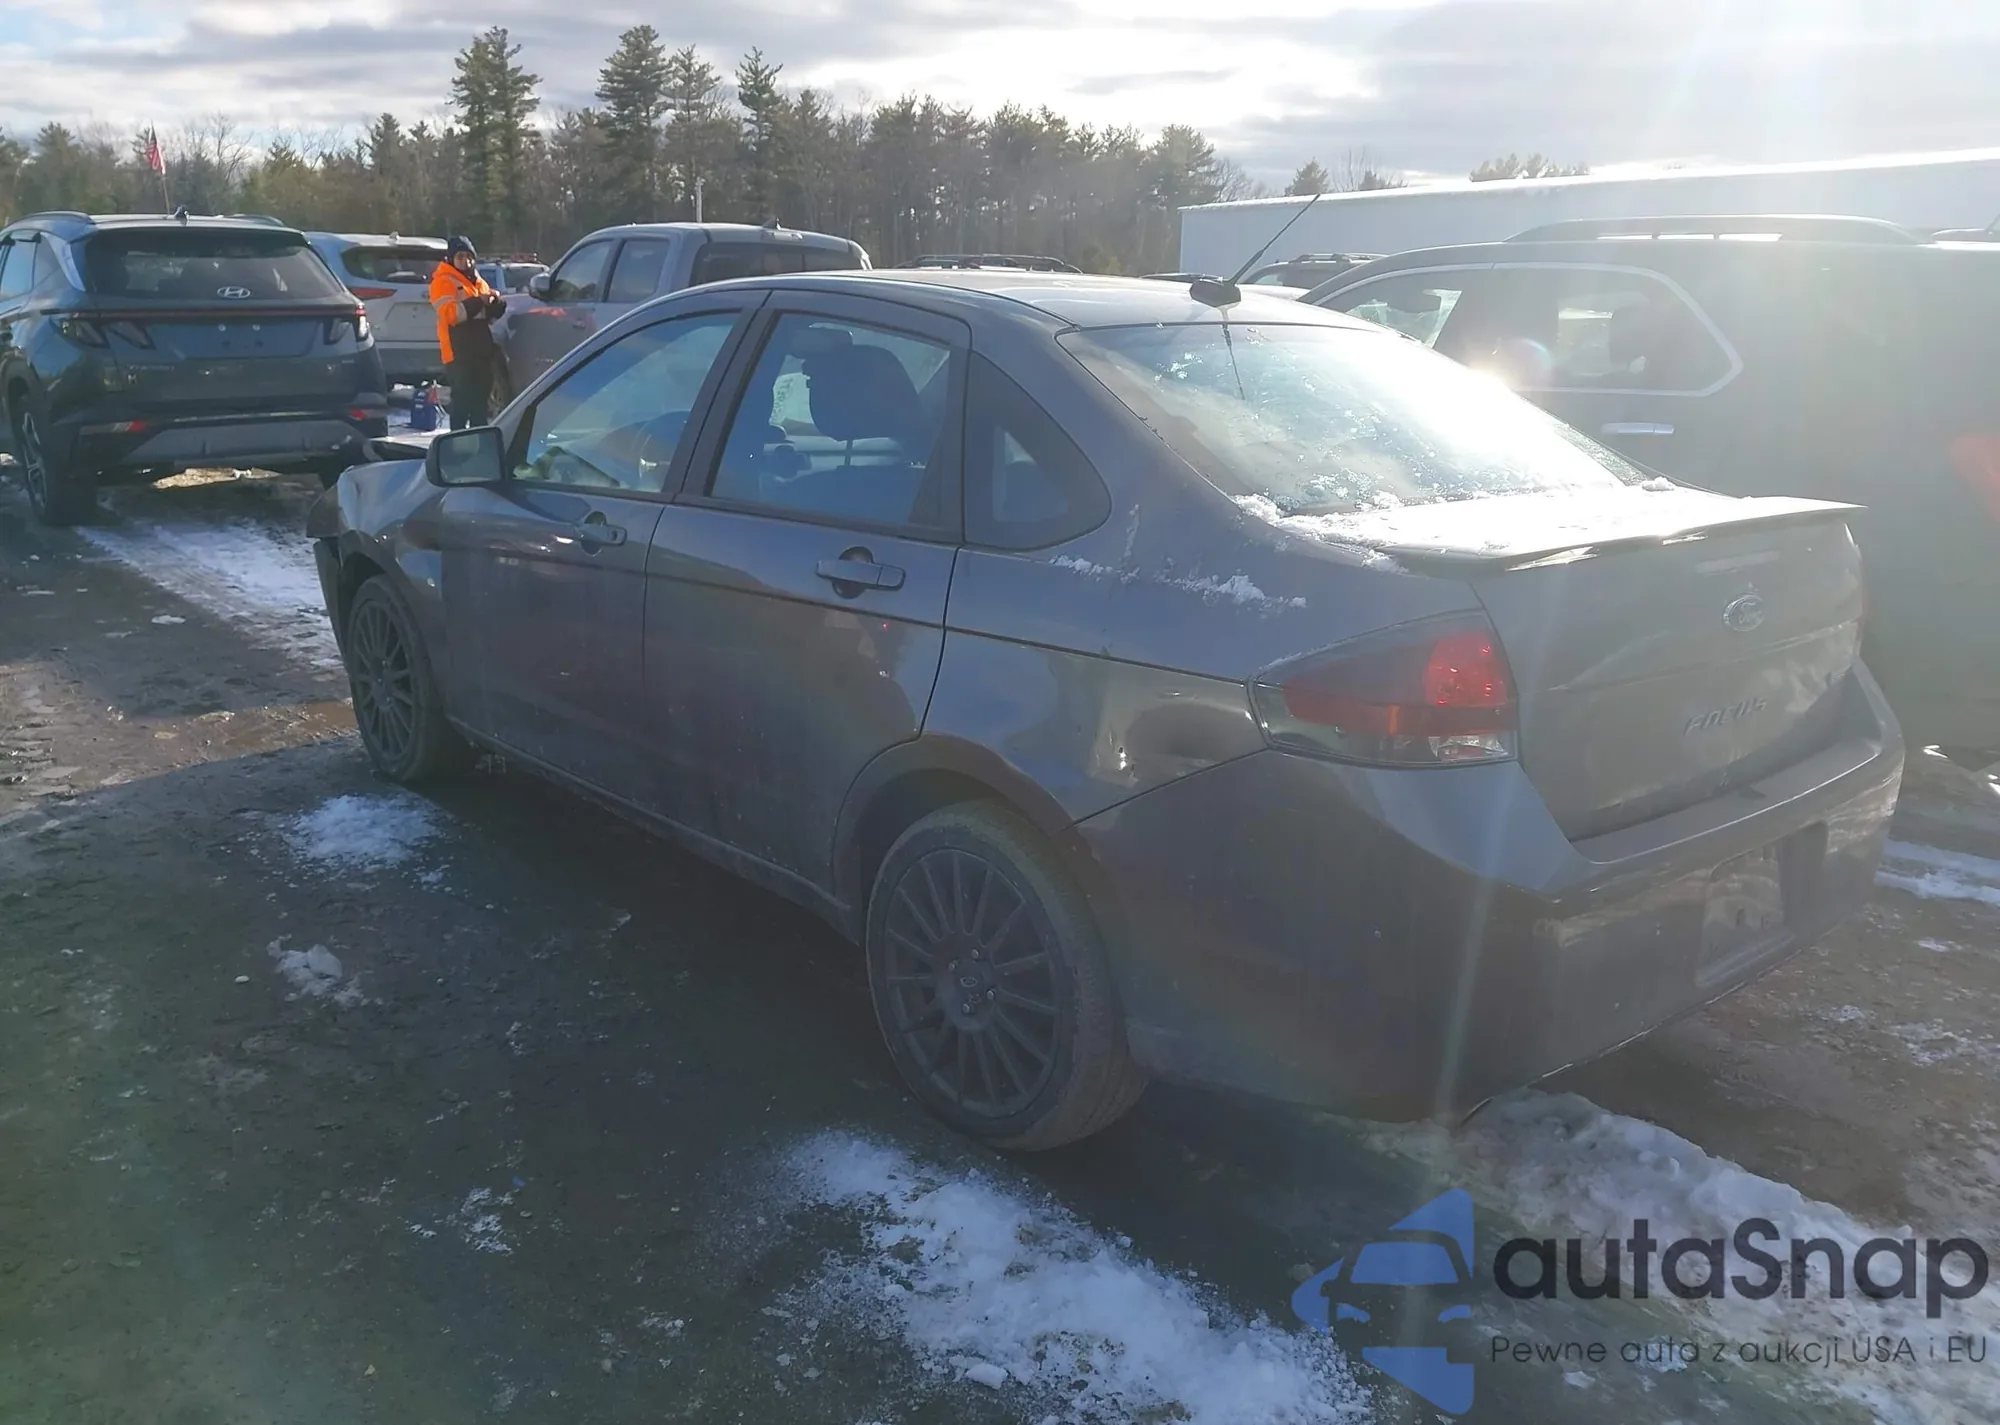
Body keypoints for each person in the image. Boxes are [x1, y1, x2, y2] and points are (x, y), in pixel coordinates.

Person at [429, 236, 506, 430]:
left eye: (470, 257)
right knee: (462, 404)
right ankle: (456, 442)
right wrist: (480, 301)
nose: (466, 261)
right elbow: (452, 315)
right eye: (460, 257)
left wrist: (496, 302)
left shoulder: (478, 281)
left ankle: (479, 441)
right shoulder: (443, 281)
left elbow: (488, 316)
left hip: (481, 351)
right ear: (451, 259)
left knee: (481, 405)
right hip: (458, 353)